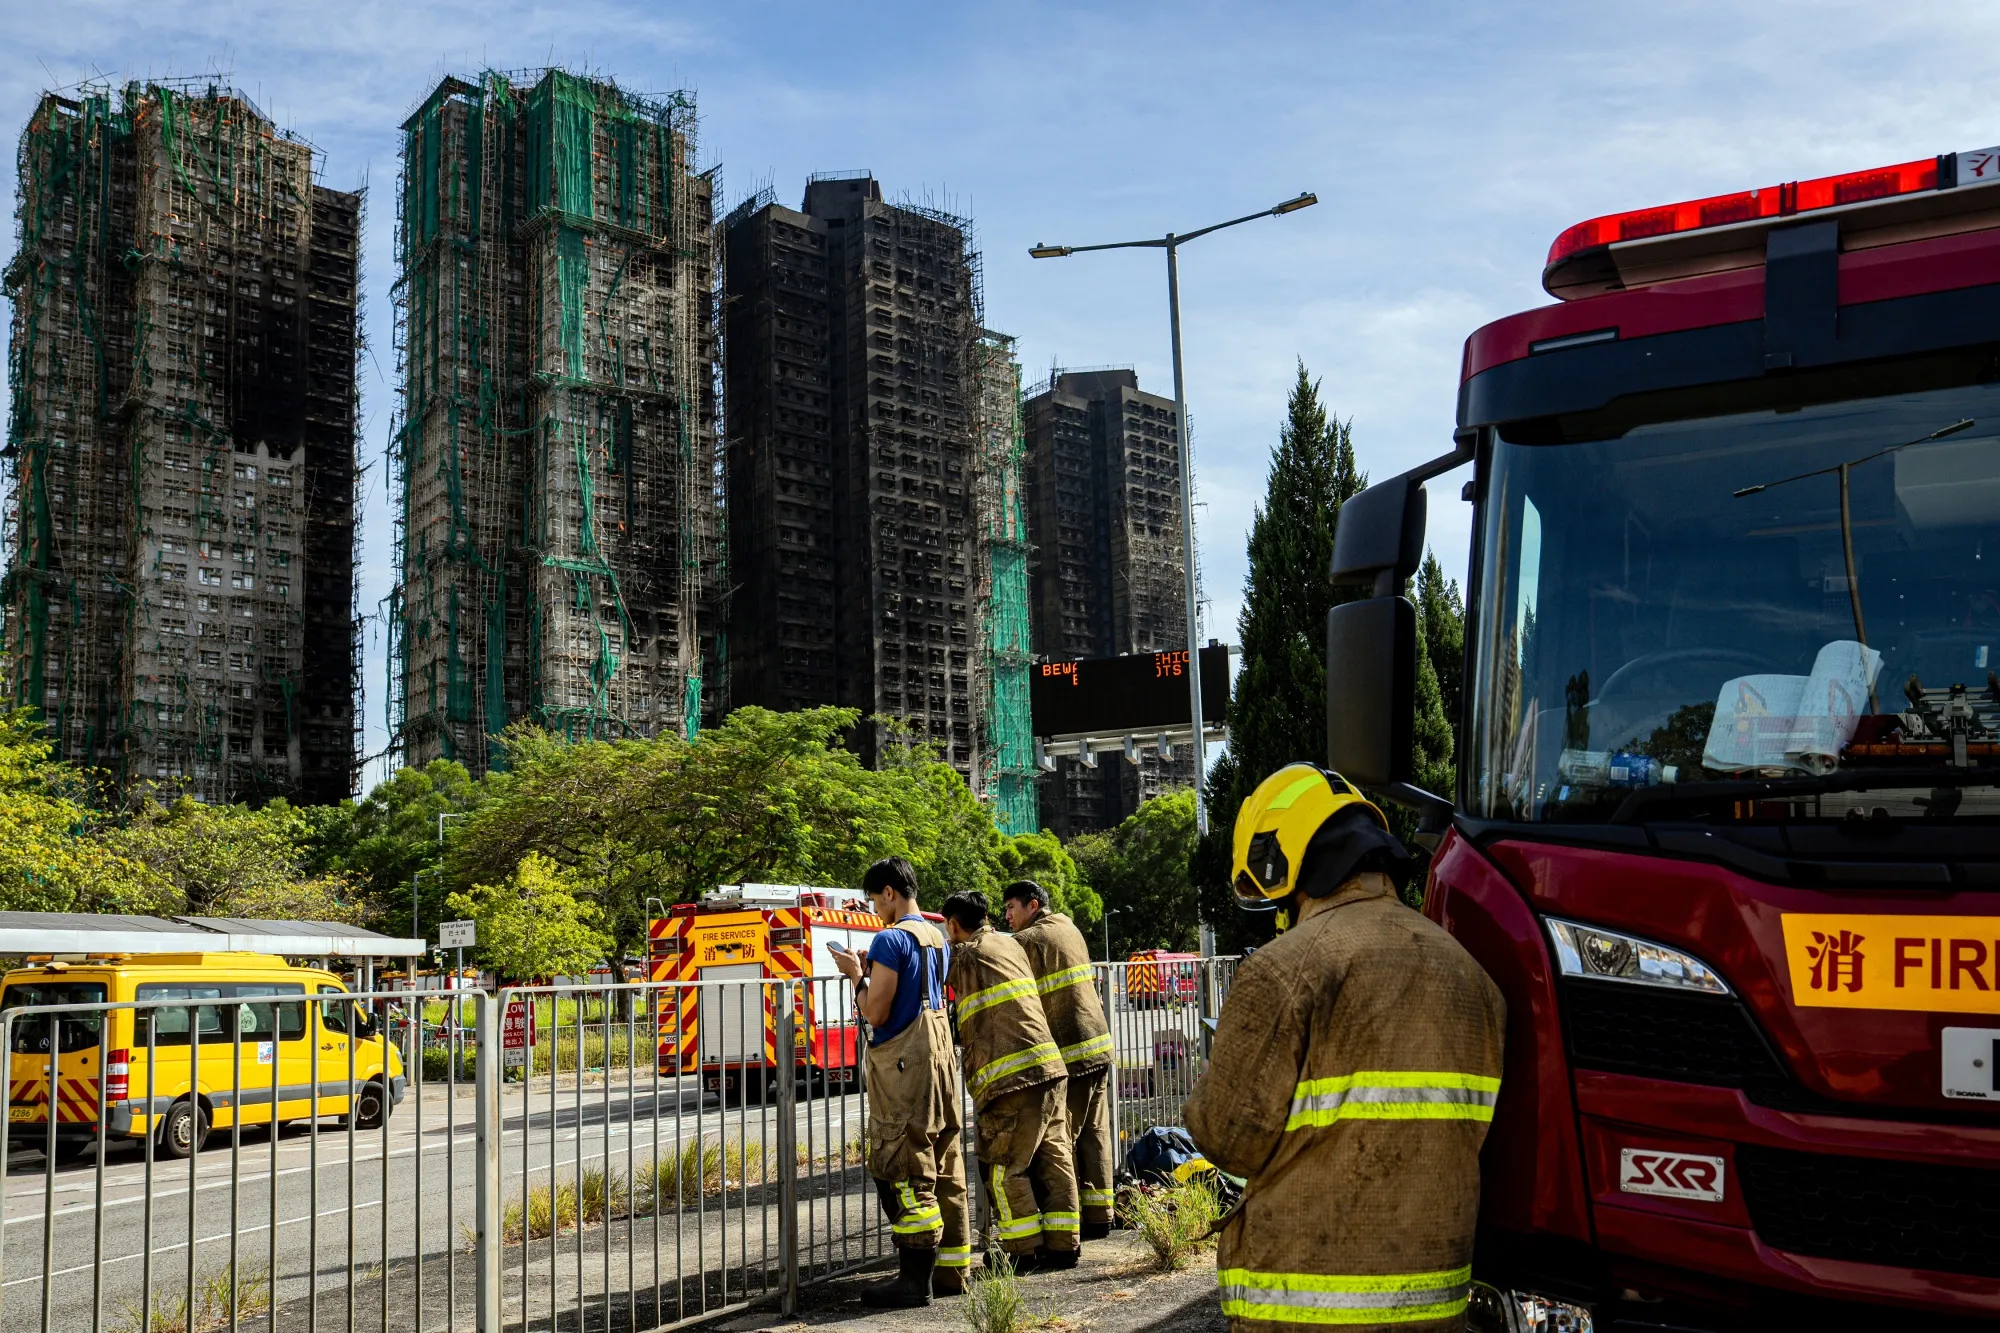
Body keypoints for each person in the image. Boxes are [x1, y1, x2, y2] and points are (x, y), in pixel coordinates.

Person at [1185, 764, 1506, 1332]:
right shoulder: (1473, 979)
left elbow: (1226, 1138)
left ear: (1280, 860)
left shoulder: (1284, 970)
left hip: (1299, 1311)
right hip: (1439, 1310)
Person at [828, 857, 971, 1305]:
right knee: (945, 1162)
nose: (874, 909)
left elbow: (876, 1011)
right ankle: (952, 1273)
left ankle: (913, 1282)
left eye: (874, 899)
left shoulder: (891, 938)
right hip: (941, 1060)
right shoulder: (936, 936)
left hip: (905, 1065)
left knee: (905, 1164)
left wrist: (857, 977)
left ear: (889, 892)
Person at [940, 890, 1083, 1272]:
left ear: (954, 924)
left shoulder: (967, 954)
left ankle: (1022, 1252)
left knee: (1003, 1169)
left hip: (1012, 1080)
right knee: (1054, 1160)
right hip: (1051, 1071)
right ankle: (1064, 1246)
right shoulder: (1011, 944)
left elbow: (933, 967)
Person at [1001, 879, 1116, 1240]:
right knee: (1095, 1134)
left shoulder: (1030, 940)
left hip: (1070, 1053)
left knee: (1061, 1136)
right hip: (1098, 1046)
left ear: (1033, 906)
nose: (1007, 916)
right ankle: (1100, 1215)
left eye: (1011, 908)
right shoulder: (1068, 926)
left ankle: (1065, 1230)